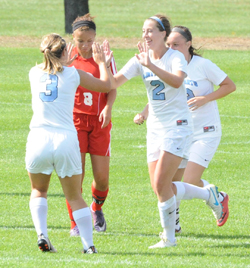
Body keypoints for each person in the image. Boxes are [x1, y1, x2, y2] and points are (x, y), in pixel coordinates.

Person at [103, 14, 227, 248]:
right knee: (161, 188)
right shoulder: (140, 58)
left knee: (162, 183)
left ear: (163, 34)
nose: (145, 35)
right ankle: (209, 195)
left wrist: (150, 65)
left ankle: (169, 238)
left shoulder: (175, 57)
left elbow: (178, 81)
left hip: (178, 127)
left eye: (150, 31)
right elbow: (112, 83)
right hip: (155, 130)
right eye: (143, 31)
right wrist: (104, 63)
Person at [134, 25, 236, 233]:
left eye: (176, 44)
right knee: (169, 182)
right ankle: (175, 225)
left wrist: (205, 98)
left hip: (205, 131)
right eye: (169, 44)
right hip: (179, 132)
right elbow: (161, 96)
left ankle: (215, 195)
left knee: (188, 180)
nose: (172, 48)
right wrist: (144, 112)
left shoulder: (202, 65)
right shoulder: (169, 65)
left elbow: (229, 85)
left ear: (189, 44)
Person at [26, 33, 111, 254]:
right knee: (74, 196)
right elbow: (105, 85)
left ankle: (42, 234)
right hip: (65, 139)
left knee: (38, 190)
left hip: (38, 138)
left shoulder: (34, 73)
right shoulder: (74, 74)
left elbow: (51, 71)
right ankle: (88, 245)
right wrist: (102, 63)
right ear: (65, 52)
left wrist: (63, 61)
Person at [65, 14, 117, 236]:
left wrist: (108, 107)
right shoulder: (66, 57)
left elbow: (111, 86)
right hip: (75, 122)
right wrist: (64, 65)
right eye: (80, 41)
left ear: (95, 37)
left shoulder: (103, 56)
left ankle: (96, 209)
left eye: (89, 40)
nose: (86, 46)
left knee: (102, 179)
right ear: (73, 38)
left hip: (99, 122)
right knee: (76, 175)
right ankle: (76, 223)